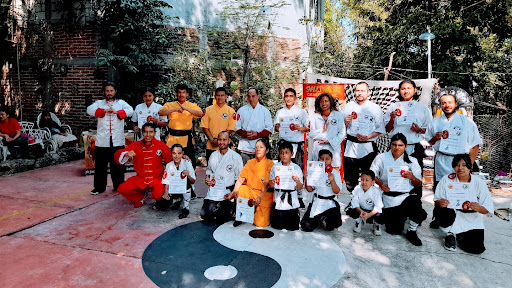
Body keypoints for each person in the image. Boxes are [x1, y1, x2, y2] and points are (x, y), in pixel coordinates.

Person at [425, 88, 483, 228]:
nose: (447, 105)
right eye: (443, 103)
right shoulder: (436, 122)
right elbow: (429, 142)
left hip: (460, 162)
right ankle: (438, 218)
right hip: (442, 160)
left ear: (456, 104)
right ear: (440, 105)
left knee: (458, 192)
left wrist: (468, 166)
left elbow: (475, 145)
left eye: (450, 102)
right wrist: (436, 137)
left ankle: (454, 225)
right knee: (440, 190)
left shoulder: (466, 122)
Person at [370, 133, 427, 246]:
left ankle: (412, 231)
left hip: (405, 197)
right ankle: (398, 217)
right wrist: (381, 184)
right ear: (390, 145)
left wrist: (412, 177)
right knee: (394, 231)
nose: (397, 147)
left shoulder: (412, 161)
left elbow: (418, 183)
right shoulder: (381, 158)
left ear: (405, 146)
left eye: (400, 145)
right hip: (389, 198)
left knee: (416, 203)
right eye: (394, 144)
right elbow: (372, 175)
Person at [433, 154, 494, 254]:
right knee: (443, 211)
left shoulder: (478, 183)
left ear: (470, 167)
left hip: (471, 217)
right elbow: (436, 200)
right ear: (453, 167)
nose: (460, 168)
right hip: (451, 213)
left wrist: (479, 208)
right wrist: (440, 202)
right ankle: (450, 233)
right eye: (457, 165)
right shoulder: (446, 179)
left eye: (464, 165)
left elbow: (488, 209)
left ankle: (461, 235)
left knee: (476, 249)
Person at [384, 80, 432, 197]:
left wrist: (419, 130)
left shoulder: (422, 108)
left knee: (415, 176)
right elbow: (387, 129)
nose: (406, 91)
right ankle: (394, 202)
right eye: (403, 89)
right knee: (395, 175)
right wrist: (392, 119)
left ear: (415, 90)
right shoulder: (393, 107)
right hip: (396, 148)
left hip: (414, 147)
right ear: (399, 91)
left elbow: (430, 129)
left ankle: (415, 204)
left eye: (409, 88)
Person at [86, 82, 134, 195]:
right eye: (107, 91)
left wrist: (118, 112)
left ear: (115, 91)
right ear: (104, 92)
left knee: (117, 165)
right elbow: (89, 109)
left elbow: (131, 111)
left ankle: (118, 186)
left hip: (117, 140)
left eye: (111, 91)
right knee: (100, 166)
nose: (109, 93)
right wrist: (103, 111)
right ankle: (99, 187)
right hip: (103, 140)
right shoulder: (99, 103)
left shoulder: (121, 103)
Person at [114, 122, 172, 208]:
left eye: (151, 132)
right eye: (145, 132)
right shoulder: (136, 145)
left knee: (158, 196)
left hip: (157, 178)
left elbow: (171, 159)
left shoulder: (160, 145)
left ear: (155, 133)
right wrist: (127, 154)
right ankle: (140, 197)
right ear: (142, 133)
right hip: (141, 178)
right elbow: (118, 154)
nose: (148, 135)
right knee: (122, 188)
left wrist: (183, 158)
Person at [341, 82, 384, 192]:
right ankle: (353, 199)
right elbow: (339, 127)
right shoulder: (348, 107)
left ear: (368, 93)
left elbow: (380, 129)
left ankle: (367, 201)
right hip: (351, 146)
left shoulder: (375, 108)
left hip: (368, 146)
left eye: (362, 91)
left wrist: (368, 136)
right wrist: (345, 122)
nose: (359, 93)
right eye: (357, 90)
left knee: (368, 176)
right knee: (350, 178)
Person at [225, 138, 274, 227]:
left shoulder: (270, 164)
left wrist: (259, 198)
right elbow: (240, 179)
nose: (258, 149)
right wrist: (234, 191)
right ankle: (240, 216)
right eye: (256, 147)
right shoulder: (250, 162)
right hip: (251, 192)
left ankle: (261, 211)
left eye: (261, 147)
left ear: (267, 150)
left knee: (260, 223)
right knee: (241, 188)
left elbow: (266, 183)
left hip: (264, 195)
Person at [274, 88, 309, 208]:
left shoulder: (301, 112)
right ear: (284, 98)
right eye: (286, 96)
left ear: (295, 98)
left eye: (291, 96)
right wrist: (277, 127)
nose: (288, 98)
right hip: (284, 144)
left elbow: (307, 128)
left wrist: (300, 128)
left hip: (297, 143)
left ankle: (299, 196)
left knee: (298, 169)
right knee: (283, 169)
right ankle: (281, 193)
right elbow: (276, 127)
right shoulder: (280, 112)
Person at [201, 131, 243, 224]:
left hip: (227, 191)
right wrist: (207, 178)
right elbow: (209, 170)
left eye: (224, 140)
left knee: (222, 217)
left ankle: (229, 209)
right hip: (214, 190)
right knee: (204, 215)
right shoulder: (213, 155)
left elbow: (239, 177)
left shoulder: (235, 157)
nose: (222, 142)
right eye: (220, 139)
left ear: (229, 141)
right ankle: (216, 208)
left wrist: (234, 192)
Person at [158, 84, 203, 168]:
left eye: (183, 92)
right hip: (172, 138)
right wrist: (175, 109)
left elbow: (201, 114)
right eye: (179, 92)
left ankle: (188, 180)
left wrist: (186, 108)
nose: (181, 95)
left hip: (187, 138)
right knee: (170, 163)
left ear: (187, 94)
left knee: (189, 163)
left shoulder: (192, 105)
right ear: (176, 94)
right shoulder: (169, 105)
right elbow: (161, 112)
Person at [301, 149, 343, 232]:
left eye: (327, 159)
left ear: (332, 161)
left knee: (333, 226)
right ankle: (319, 217)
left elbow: (337, 191)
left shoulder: (335, 173)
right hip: (318, 201)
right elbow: (310, 190)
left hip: (330, 203)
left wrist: (332, 181)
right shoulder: (314, 172)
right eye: (321, 158)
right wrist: (306, 179)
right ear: (318, 160)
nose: (324, 161)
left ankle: (325, 217)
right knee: (306, 226)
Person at [268, 140, 304, 231]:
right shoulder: (275, 167)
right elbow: (271, 185)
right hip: (279, 197)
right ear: (279, 154)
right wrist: (272, 183)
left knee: (292, 227)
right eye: (282, 153)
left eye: (287, 153)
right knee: (276, 226)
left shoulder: (296, 168)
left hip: (292, 199)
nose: (284, 155)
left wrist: (298, 181)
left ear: (292, 154)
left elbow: (300, 187)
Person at [309, 92, 346, 170]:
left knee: (333, 177)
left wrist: (329, 141)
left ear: (330, 102)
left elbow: (342, 133)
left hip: (333, 150)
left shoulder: (338, 115)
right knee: (318, 176)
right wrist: (323, 131)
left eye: (326, 101)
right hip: (319, 149)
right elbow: (311, 133)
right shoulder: (315, 117)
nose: (324, 103)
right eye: (321, 101)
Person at [235, 88, 273, 164]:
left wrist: (257, 135)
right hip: (245, 146)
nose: (251, 99)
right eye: (249, 96)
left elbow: (269, 129)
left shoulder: (265, 111)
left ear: (258, 96)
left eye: (253, 96)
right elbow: (236, 128)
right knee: (245, 171)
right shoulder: (241, 110)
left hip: (260, 146)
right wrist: (245, 134)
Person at [200, 87, 236, 162]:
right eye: (218, 95)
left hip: (225, 145)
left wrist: (220, 141)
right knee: (211, 169)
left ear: (226, 96)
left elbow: (231, 128)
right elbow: (204, 126)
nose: (220, 97)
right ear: (215, 96)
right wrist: (212, 140)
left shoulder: (231, 111)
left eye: (222, 95)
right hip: (211, 145)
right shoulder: (208, 110)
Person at [162, 144, 196, 219]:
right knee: (162, 205)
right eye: (174, 153)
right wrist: (166, 191)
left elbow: (193, 181)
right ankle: (177, 199)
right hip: (174, 188)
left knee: (186, 181)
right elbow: (166, 180)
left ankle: (186, 208)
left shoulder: (187, 163)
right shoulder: (169, 165)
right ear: (171, 154)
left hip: (186, 188)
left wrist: (188, 175)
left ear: (183, 153)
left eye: (179, 153)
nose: (176, 156)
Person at [345, 169, 384, 236]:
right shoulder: (357, 188)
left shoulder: (375, 191)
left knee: (380, 215)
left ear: (372, 182)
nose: (364, 182)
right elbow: (355, 202)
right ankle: (359, 221)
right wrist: (361, 212)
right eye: (362, 180)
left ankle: (376, 225)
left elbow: (378, 206)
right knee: (350, 211)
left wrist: (369, 215)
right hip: (361, 209)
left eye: (367, 180)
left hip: (372, 211)